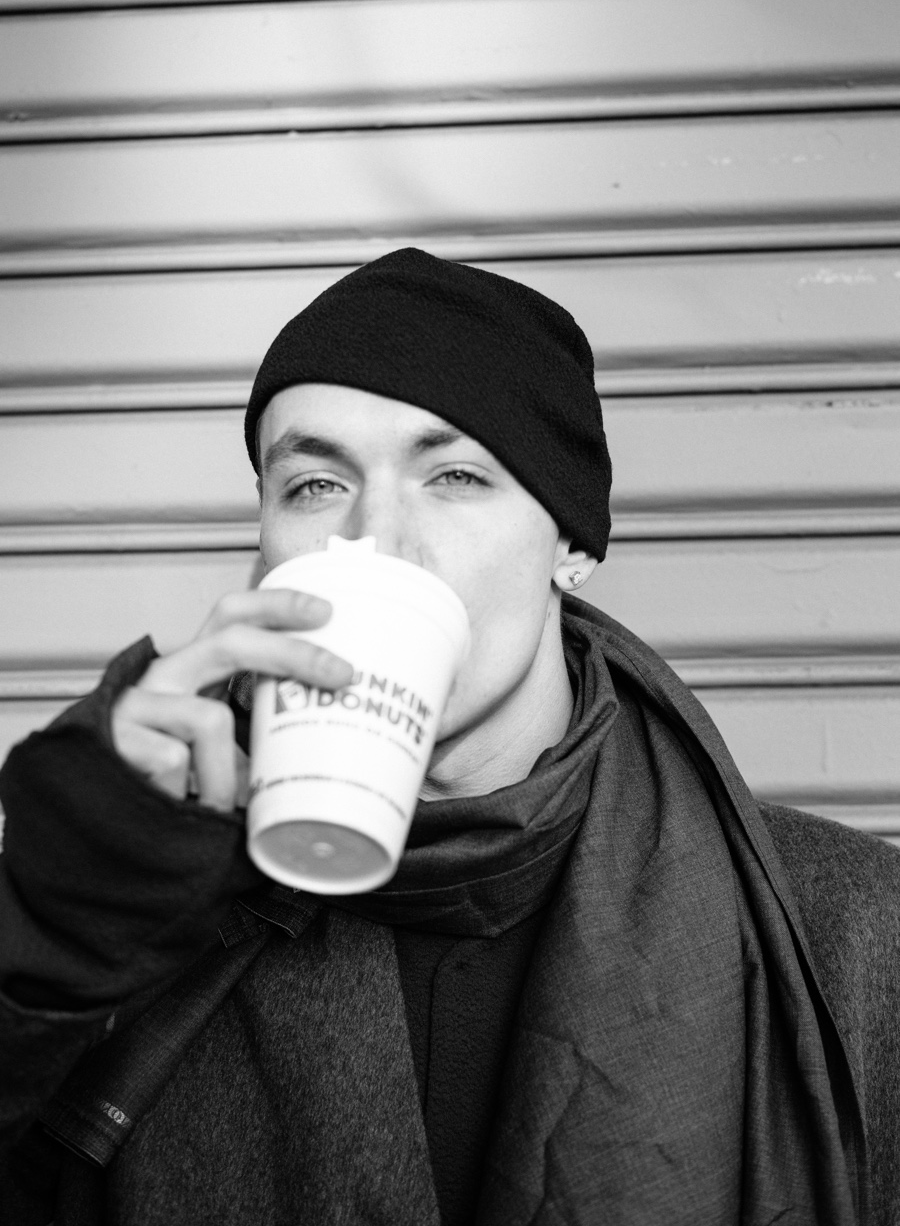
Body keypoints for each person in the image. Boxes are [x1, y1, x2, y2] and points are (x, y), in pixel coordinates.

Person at [1, 248, 899, 1226]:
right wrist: (51, 924)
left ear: (571, 543)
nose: (378, 539)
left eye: (457, 475)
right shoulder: (132, 899)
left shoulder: (851, 930)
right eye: (314, 485)